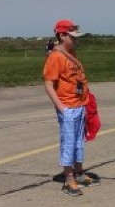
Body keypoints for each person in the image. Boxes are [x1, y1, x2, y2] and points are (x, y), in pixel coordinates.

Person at [42, 19, 98, 197]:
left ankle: (79, 172)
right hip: (67, 106)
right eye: (72, 36)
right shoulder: (55, 57)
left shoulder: (71, 52)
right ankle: (68, 179)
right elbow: (49, 85)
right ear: (62, 35)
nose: (76, 40)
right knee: (69, 143)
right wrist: (62, 108)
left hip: (79, 104)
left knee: (79, 142)